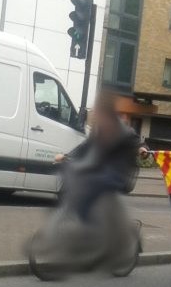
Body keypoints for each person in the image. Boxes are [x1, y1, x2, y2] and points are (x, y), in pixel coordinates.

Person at [55, 95, 147, 223]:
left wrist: (142, 149)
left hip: (118, 175)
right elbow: (85, 147)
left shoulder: (125, 132)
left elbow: (138, 143)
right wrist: (66, 156)